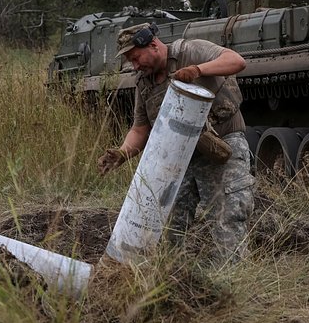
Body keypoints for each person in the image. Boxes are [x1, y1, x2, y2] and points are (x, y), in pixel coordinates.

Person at [97, 22, 255, 261]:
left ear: (153, 45)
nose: (135, 65)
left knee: (227, 218)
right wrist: (122, 153)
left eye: (136, 57)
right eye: (131, 61)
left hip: (221, 147)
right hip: (178, 159)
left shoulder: (192, 51)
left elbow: (237, 61)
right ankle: (173, 281)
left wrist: (198, 70)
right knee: (167, 226)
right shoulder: (144, 82)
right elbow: (141, 129)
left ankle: (230, 279)